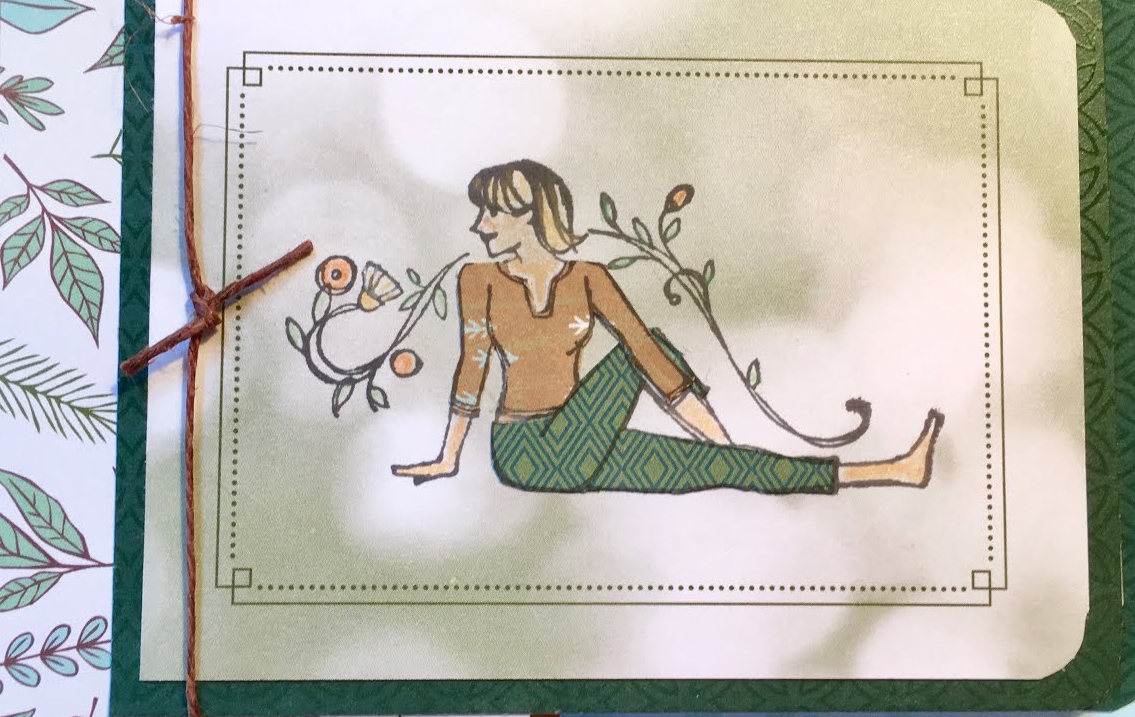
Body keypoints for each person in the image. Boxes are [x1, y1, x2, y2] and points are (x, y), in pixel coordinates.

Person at [392, 159, 942, 494]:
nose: (479, 225)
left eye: (492, 213)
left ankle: (895, 471)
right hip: (524, 450)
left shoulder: (589, 277)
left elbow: (646, 356)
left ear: (529, 216)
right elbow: (473, 367)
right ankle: (731, 451)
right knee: (650, 352)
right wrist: (448, 456)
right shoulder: (478, 280)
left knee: (709, 465)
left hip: (581, 440)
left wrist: (723, 454)